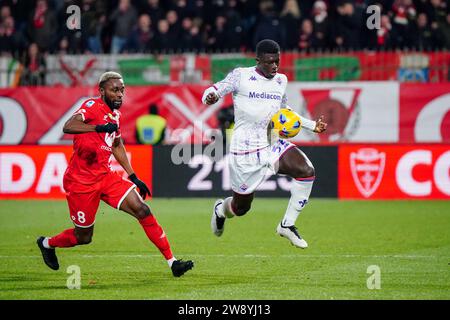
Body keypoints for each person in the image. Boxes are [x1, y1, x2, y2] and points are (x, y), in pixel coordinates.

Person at [36, 71, 194, 277]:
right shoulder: (92, 107)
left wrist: (133, 176)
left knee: (142, 209)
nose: (120, 94)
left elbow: (117, 145)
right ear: (102, 91)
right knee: (83, 237)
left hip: (105, 176)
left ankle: (173, 263)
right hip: (81, 181)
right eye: (114, 90)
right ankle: (47, 243)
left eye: (122, 90)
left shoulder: (116, 116)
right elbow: (68, 126)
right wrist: (99, 127)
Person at [202, 39, 327, 248]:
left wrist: (310, 125)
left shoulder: (281, 80)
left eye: (277, 61)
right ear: (258, 60)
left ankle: (287, 225)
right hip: (245, 150)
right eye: (269, 62)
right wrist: (211, 96)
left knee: (306, 171)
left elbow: (284, 112)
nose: (274, 66)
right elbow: (215, 89)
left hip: (270, 142)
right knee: (240, 208)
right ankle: (221, 210)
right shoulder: (241, 75)